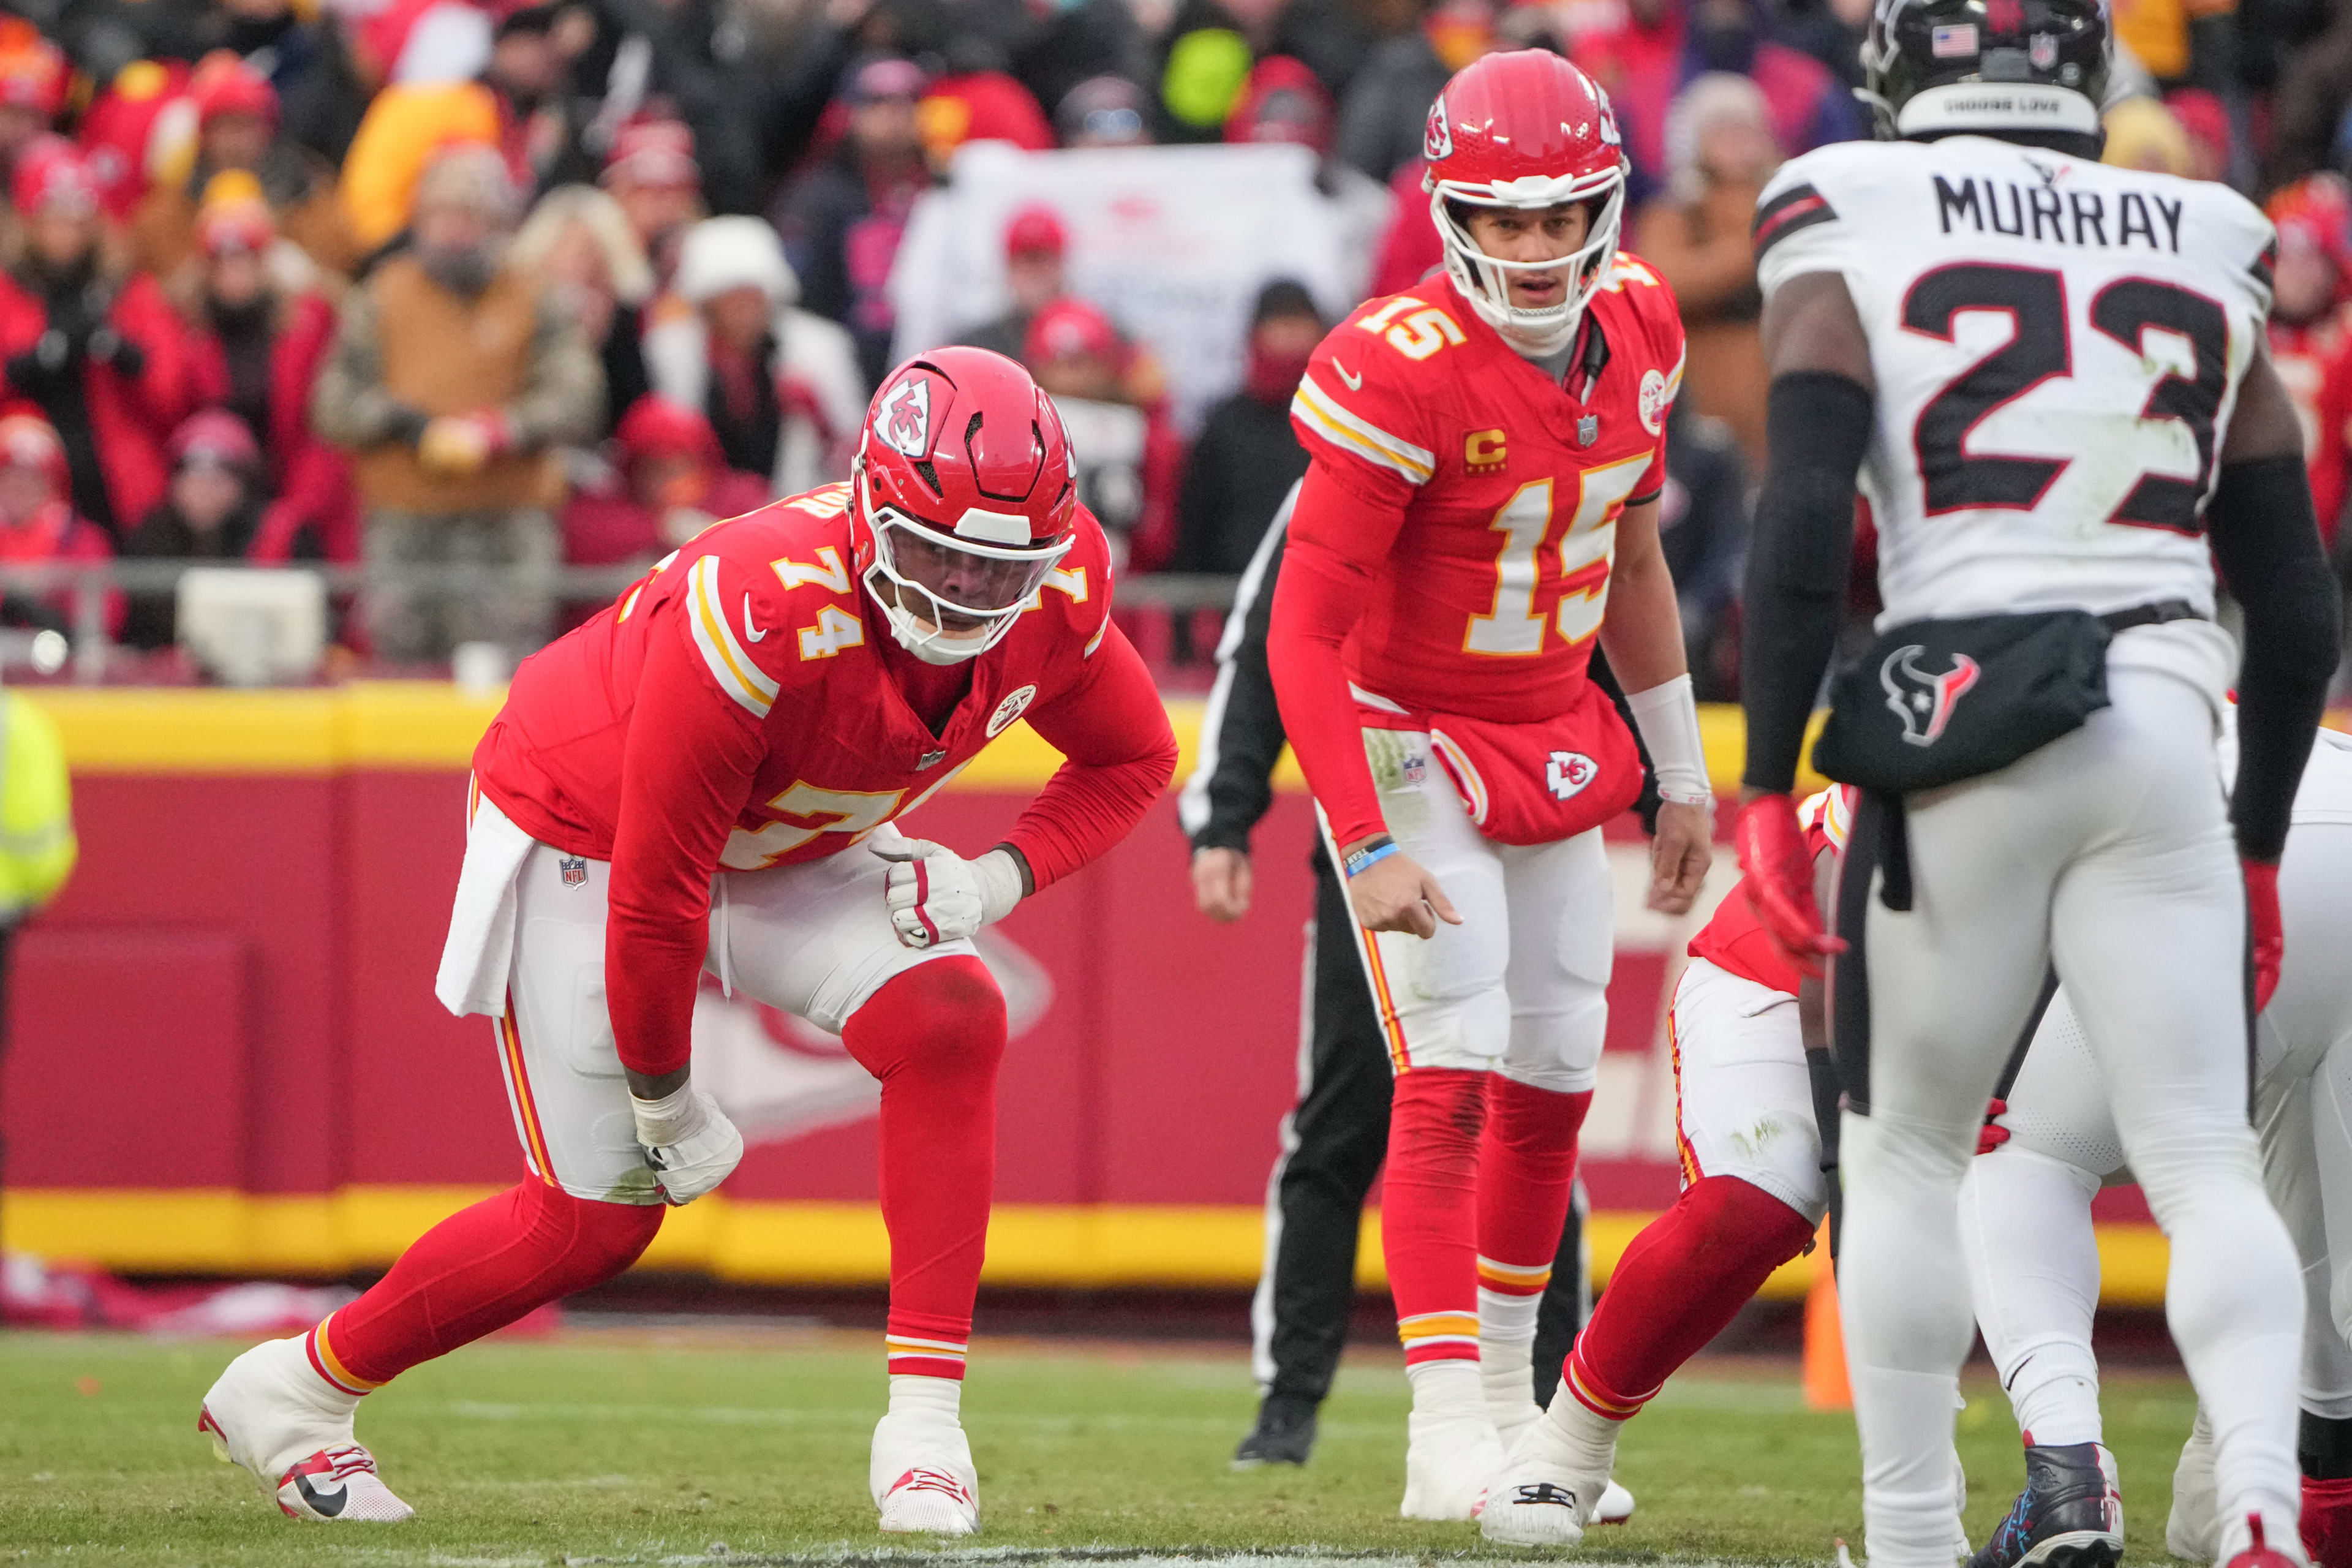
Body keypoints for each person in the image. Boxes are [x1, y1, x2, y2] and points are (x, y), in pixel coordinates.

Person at [195, 348, 1179, 1537]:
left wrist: (1001, 873)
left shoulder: (1059, 592)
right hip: (592, 828)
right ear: (867, 504)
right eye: (934, 551)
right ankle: (296, 1388)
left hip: (774, 840)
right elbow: (658, 895)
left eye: (998, 564)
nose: (966, 590)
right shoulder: (763, 606)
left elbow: (1131, 754)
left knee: (951, 1016)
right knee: (598, 1216)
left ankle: (924, 1430)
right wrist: (667, 1102)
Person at [1722, 0, 2338, 1564]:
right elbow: (2295, 594)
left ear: (1895, 77)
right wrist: (2254, 839)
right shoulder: (2204, 226)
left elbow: (1797, 521)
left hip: (1962, 709)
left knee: (1911, 1148)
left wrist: (1760, 778)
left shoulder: (1845, 202)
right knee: (2203, 1156)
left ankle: (1916, 1534)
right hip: (2156, 709)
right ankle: (2259, 1498)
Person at [1265, 51, 1715, 1522]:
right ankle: (1440, 1425)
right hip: (1409, 730)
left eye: (1557, 216)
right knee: (1448, 1063)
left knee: (1554, 1078)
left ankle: (1523, 1415)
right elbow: (1303, 627)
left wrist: (1681, 769)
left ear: (1606, 204)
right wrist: (1364, 833)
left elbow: (1634, 558)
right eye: (1499, 220)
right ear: (1447, 211)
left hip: (1553, 725)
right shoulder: (1395, 359)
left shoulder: (1642, 323)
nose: (1530, 248)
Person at [1189, 490, 1635, 1523]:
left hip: (1515, 794)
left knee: (1532, 1094)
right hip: (1381, 810)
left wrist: (1669, 784)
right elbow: (1274, 630)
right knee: (1356, 1111)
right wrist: (1227, 811)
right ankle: (1296, 1399)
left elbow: (1590, 608)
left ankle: (1534, 1402)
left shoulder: (1557, 427)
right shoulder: (1379, 428)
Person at [1956, 720, 2352, 1568]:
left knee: (2016, 1152)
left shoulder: (1989, 697)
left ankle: (2067, 1477)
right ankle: (2293, 1511)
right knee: (2277, 1193)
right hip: (2312, 812)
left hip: (2206, 857)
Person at [312, 143, 603, 663]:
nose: (452, 231)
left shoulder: (536, 297)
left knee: (503, 679)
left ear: (499, 223)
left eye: (468, 215)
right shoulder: (383, 295)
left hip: (507, 528)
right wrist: (400, 421)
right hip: (404, 525)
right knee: (400, 675)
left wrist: (506, 429)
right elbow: (332, 402)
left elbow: (579, 396)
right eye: (438, 215)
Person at [0, 138, 197, 543]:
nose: (67, 233)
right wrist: (38, 359)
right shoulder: (8, 292)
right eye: (54, 217)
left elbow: (171, 394)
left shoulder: (127, 290)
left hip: (122, 488)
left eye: (78, 218)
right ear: (29, 221)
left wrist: (122, 353)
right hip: (27, 493)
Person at [184, 175, 355, 563]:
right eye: (222, 261)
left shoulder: (308, 325)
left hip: (297, 490)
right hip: (218, 495)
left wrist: (295, 509)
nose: (234, 273)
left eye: (244, 259)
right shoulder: (190, 333)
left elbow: (322, 427)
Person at [643, 216, 865, 502]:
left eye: (752, 296)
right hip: (703, 510)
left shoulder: (819, 349)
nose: (743, 309)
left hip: (803, 508)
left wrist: (820, 419)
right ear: (707, 305)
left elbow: (859, 454)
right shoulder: (669, 352)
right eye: (731, 298)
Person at [1633, 71, 1779, 469]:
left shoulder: (1787, 203)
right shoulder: (1674, 214)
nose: (1739, 143)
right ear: (1694, 141)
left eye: (1747, 130)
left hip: (1778, 403)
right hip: (1706, 401)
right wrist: (1752, 247)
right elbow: (1662, 284)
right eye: (1724, 132)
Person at [774, 56, 932, 391]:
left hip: (930, 355)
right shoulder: (817, 197)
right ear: (851, 114)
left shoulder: (944, 190)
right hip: (847, 357)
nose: (896, 115)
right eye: (879, 104)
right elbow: (799, 294)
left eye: (908, 103)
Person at [1172, 281, 1320, 576]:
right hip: (1230, 592)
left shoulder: (1340, 420)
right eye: (1278, 323)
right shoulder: (1225, 425)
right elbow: (1197, 524)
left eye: (1300, 322)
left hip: (1315, 586)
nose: (1290, 335)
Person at [510, 183, 658, 445]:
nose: (576, 264)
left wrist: (596, 340)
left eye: (590, 252)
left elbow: (637, 403)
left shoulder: (626, 318)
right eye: (565, 247)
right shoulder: (516, 309)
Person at [118, 410, 273, 650]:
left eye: (219, 477)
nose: (204, 490)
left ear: (244, 484)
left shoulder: (276, 535)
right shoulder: (150, 538)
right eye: (193, 475)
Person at [560, 392, 767, 567]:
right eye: (655, 468)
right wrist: (661, 529)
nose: (669, 481)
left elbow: (765, 537)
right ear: (633, 472)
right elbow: (581, 536)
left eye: (681, 466)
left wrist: (717, 532)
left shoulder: (739, 495)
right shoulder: (603, 507)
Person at [960, 204, 1068, 364]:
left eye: (1043, 260)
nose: (1034, 272)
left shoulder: (1094, 338)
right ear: (1009, 267)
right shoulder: (977, 347)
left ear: (1060, 263)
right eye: (1025, 261)